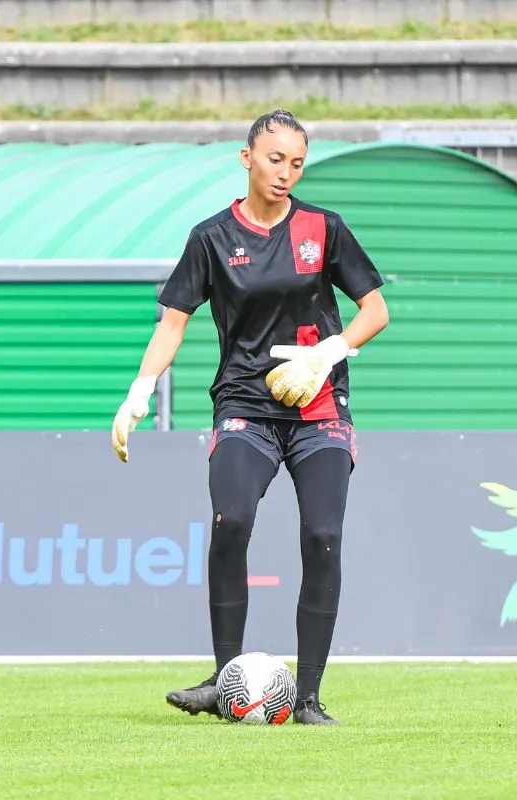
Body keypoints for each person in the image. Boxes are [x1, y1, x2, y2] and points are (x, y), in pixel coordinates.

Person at [109, 109, 390, 725]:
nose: (286, 172)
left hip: (319, 406)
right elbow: (173, 323)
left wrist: (328, 353)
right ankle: (224, 679)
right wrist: (140, 390)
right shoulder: (211, 237)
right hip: (244, 403)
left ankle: (308, 698)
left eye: (297, 163)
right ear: (246, 158)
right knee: (231, 521)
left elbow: (375, 310)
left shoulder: (324, 228)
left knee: (323, 536)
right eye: (275, 159)